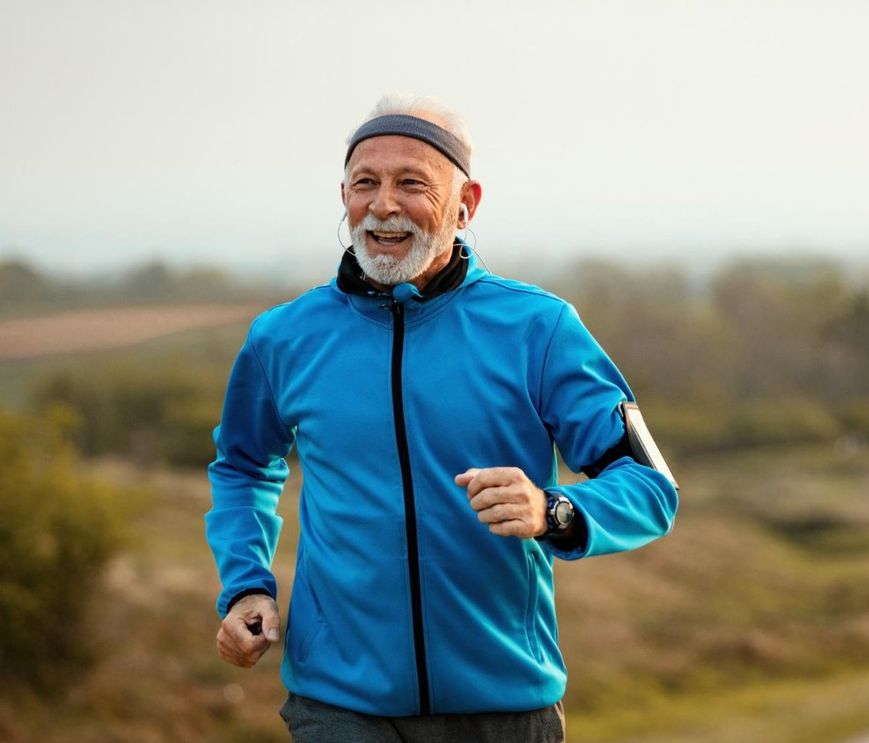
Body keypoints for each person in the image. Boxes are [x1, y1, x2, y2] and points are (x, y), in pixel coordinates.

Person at [205, 93, 679, 742]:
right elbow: (241, 465)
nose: (384, 204)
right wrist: (246, 584)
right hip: (337, 706)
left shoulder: (539, 329)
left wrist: (555, 509)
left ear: (467, 204)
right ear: (343, 196)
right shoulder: (282, 337)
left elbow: (651, 488)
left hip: (506, 707)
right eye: (364, 183)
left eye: (412, 184)